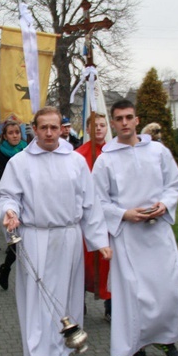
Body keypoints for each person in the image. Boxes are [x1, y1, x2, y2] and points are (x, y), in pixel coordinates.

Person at [0, 106, 112, 356]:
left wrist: (100, 241)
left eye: (54, 127)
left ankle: (64, 351)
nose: (48, 132)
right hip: (36, 238)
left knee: (69, 299)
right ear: (33, 129)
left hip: (69, 237)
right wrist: (9, 212)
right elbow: (7, 196)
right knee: (40, 304)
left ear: (62, 129)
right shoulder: (20, 163)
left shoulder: (75, 162)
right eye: (42, 127)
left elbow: (90, 203)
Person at [92, 99, 178, 356]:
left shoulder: (158, 151)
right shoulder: (106, 158)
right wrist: (123, 214)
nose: (124, 123)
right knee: (134, 296)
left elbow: (174, 182)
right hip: (128, 237)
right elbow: (97, 199)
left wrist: (165, 204)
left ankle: (167, 340)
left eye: (128, 117)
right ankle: (136, 350)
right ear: (113, 122)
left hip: (158, 233)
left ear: (136, 119)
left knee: (168, 291)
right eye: (118, 118)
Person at [75, 114, 112, 322]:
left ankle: (111, 305)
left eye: (102, 125)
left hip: (110, 220)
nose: (98, 129)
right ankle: (79, 304)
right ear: (87, 129)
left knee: (110, 264)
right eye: (94, 125)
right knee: (83, 264)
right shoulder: (79, 156)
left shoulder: (114, 153)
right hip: (86, 221)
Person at [0, 120, 27, 290]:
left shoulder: (27, 150)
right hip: (13, 201)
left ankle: (7, 267)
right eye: (11, 133)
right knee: (16, 242)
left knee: (24, 242)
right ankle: (6, 268)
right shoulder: (2, 154)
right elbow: (2, 182)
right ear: (5, 136)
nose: (15, 135)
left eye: (17, 132)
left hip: (28, 201)